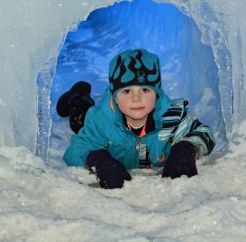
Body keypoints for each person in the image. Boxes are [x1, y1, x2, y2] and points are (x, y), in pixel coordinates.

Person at [59, 48, 215, 189]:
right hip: (106, 116)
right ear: (115, 97)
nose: (136, 98)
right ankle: (78, 96)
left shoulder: (171, 117)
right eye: (126, 91)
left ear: (157, 93)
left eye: (145, 90)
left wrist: (186, 149)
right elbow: (75, 151)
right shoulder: (101, 120)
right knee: (80, 120)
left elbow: (203, 133)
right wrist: (97, 158)